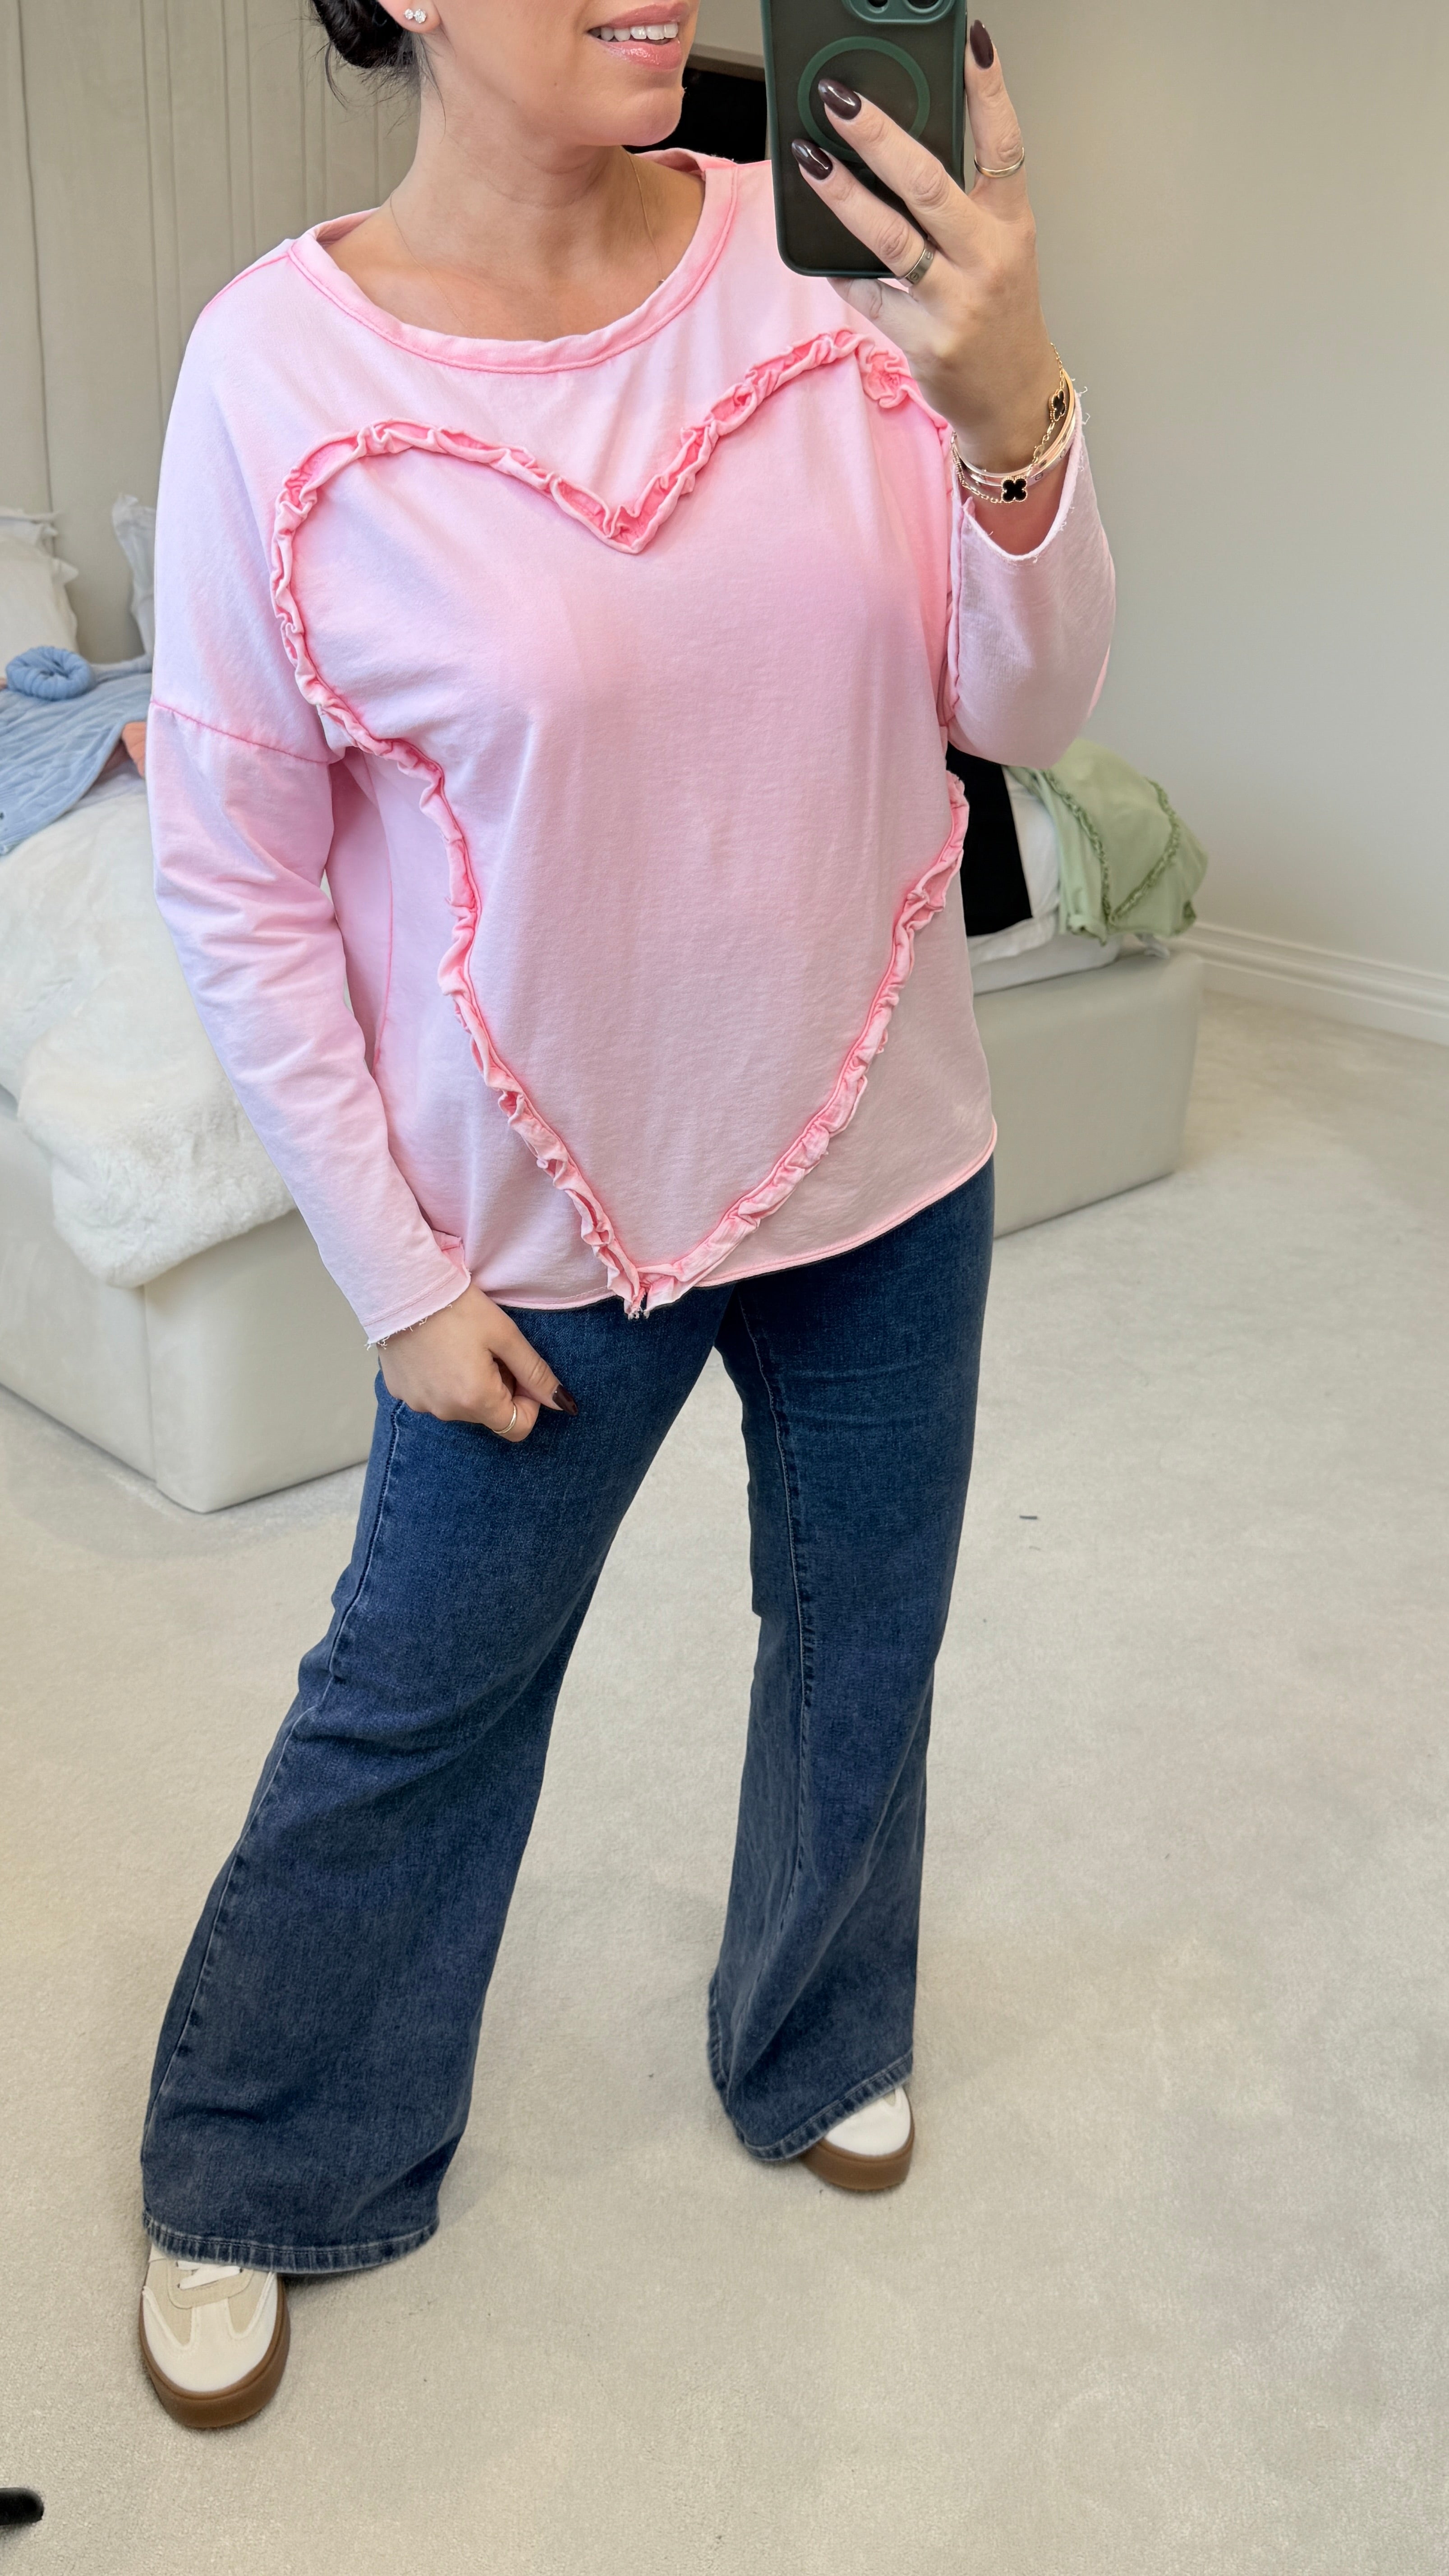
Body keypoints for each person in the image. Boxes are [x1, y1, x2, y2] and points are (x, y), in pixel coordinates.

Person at [135, 0, 1114, 2428]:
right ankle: (269, 2144)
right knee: (422, 1693)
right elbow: (236, 871)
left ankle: (821, 2033)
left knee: (865, 1644)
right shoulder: (275, 371)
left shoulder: (834, 276)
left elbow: (1031, 714)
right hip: (534, 1219)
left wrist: (1010, 402)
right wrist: (393, 1272)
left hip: (884, 1156)